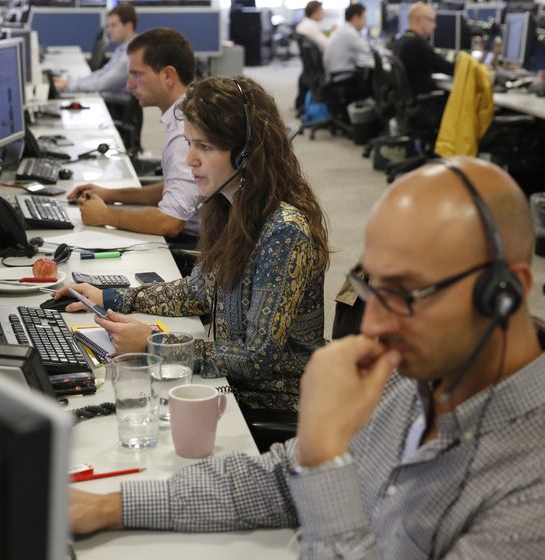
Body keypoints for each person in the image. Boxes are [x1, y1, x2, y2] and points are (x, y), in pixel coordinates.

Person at [69, 157, 545, 558]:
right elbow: (278, 481)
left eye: (406, 293)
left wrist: (323, 460)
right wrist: (108, 506)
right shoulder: (415, 380)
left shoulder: (530, 492)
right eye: (371, 287)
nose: (374, 326)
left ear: (503, 295)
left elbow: (309, 475)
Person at [56, 76, 329, 425]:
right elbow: (196, 292)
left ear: (246, 151)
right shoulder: (231, 205)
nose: (190, 160)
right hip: (236, 387)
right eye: (189, 143)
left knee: (127, 410)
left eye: (205, 147)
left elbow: (257, 359)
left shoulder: (283, 230)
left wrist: (155, 343)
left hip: (278, 402)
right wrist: (109, 297)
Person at [66, 29, 199, 241]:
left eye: (137, 74)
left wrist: (106, 215)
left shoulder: (184, 132)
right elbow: (175, 187)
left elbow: (170, 222)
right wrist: (112, 195)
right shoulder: (187, 111)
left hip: (191, 248)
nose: (129, 85)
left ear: (168, 76)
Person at [52, 4, 137, 97]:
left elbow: (103, 83)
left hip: (114, 106)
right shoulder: (122, 48)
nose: (109, 30)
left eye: (113, 25)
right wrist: (69, 82)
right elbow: (103, 72)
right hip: (107, 97)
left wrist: (68, 86)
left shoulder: (131, 54)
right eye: (108, 26)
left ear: (128, 26)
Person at [394, 2, 454, 95]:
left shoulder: (400, 40)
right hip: (426, 101)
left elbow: (434, 65)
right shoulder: (417, 44)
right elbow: (447, 68)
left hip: (410, 100)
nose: (435, 26)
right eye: (432, 20)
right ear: (419, 20)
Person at [323, 3, 372, 103]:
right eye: (364, 18)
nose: (365, 22)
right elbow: (368, 50)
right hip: (342, 78)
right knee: (372, 83)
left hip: (334, 75)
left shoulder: (344, 29)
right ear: (355, 18)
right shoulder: (349, 32)